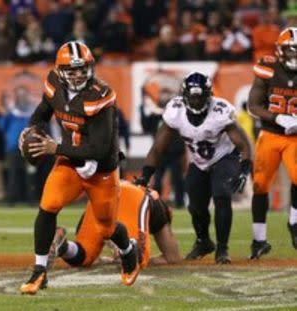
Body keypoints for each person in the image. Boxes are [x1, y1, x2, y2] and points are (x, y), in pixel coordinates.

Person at [18, 41, 140, 294]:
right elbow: (41, 112)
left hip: (101, 169)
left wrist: (55, 149)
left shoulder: (100, 94)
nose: (78, 74)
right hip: (70, 163)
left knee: (106, 228)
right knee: (48, 206)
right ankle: (40, 270)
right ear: (60, 71)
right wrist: (32, 131)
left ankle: (128, 250)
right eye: (72, 70)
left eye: (82, 69)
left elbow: (98, 148)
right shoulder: (54, 83)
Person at [135, 72, 252, 264]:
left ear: (209, 95)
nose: (196, 101)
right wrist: (146, 175)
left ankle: (223, 249)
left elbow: (244, 144)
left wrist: (244, 170)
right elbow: (158, 147)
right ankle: (203, 241)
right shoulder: (175, 110)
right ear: (184, 96)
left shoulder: (220, 110)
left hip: (224, 156)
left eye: (200, 97)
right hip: (198, 161)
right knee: (195, 205)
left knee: (221, 194)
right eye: (193, 97)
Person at [48, 180, 181, 270]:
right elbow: (173, 257)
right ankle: (122, 247)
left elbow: (84, 235)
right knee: (137, 260)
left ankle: (65, 247)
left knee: (85, 256)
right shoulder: (159, 207)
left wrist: (102, 259)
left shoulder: (151, 201)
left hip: (101, 197)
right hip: (133, 197)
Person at [247, 27, 297, 259]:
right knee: (260, 185)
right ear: (280, 50)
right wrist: (277, 117)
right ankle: (259, 240)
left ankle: (295, 222)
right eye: (291, 51)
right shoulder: (268, 68)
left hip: (295, 137)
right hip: (270, 134)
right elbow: (253, 106)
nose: (294, 56)